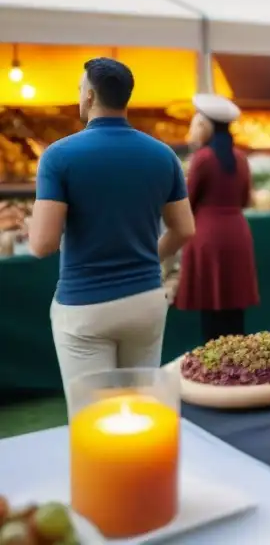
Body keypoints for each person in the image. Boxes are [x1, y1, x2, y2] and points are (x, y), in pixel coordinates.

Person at [28, 58, 194, 400]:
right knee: (141, 409)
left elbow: (42, 245)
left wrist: (34, 222)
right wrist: (150, 256)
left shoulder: (58, 156)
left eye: (78, 89)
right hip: (146, 299)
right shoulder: (163, 155)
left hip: (85, 307)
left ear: (89, 96)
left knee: (94, 419)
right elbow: (184, 229)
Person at [174, 94, 259, 342]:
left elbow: (187, 201)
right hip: (237, 233)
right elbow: (245, 200)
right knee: (234, 307)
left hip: (208, 234)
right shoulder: (241, 158)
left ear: (206, 126)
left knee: (211, 306)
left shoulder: (202, 159)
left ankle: (213, 367)